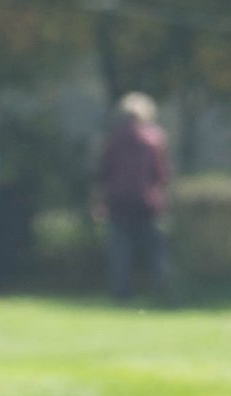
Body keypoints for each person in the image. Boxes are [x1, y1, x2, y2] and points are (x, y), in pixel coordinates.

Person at [91, 92, 171, 301]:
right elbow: (161, 173)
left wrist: (100, 200)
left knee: (120, 250)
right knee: (155, 249)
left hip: (118, 201)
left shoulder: (112, 139)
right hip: (147, 201)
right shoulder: (155, 138)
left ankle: (121, 293)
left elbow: (103, 172)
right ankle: (163, 291)